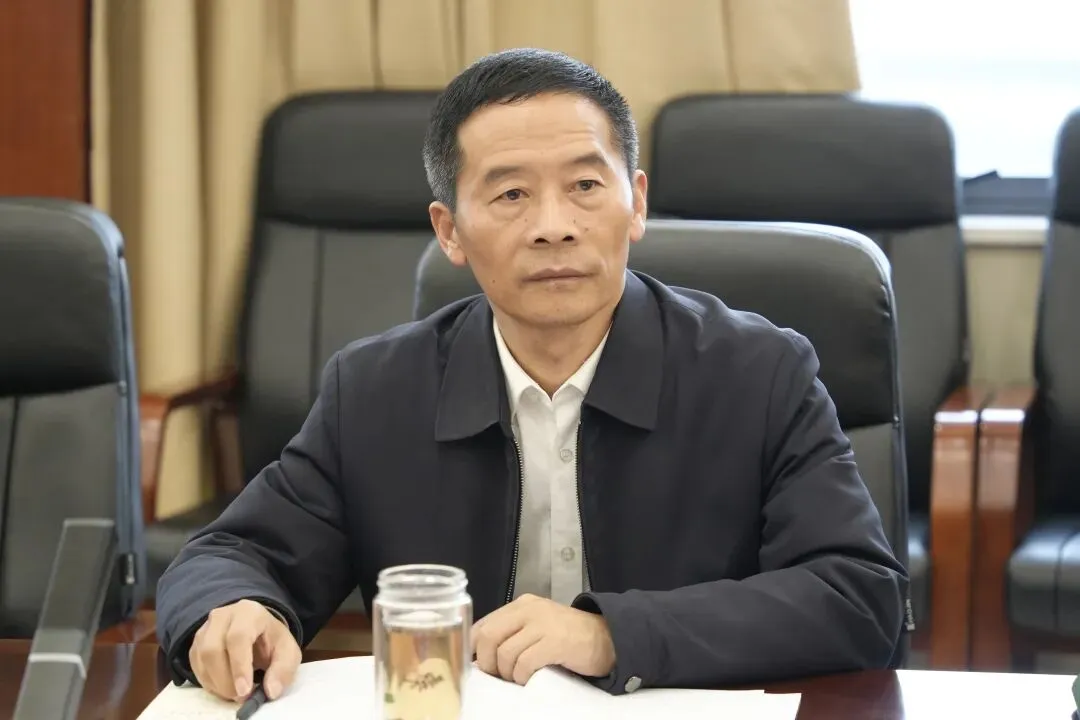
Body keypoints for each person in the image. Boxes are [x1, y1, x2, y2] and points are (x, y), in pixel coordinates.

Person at [156, 47, 908, 703]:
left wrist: (613, 635)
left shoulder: (760, 373)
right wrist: (234, 609)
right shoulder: (376, 391)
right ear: (450, 231)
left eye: (586, 186)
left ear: (636, 203)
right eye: (511, 194)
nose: (555, 225)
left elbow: (857, 597)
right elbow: (232, 556)